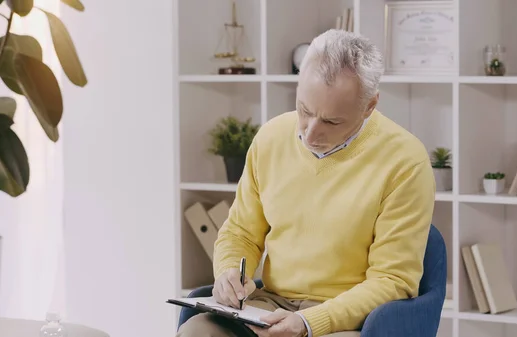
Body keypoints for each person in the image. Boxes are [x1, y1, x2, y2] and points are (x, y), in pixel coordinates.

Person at [177, 29, 436, 337]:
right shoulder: (271, 137)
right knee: (198, 332)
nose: (311, 134)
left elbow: (392, 280)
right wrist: (229, 272)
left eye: (331, 121)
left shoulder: (405, 160)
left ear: (369, 105)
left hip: (348, 320)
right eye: (304, 110)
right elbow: (240, 232)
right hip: (270, 305)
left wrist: (310, 322)